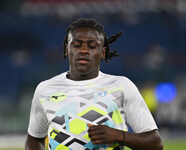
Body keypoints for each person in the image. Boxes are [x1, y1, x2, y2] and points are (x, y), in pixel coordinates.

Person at [25, 18, 163, 150]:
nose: (84, 50)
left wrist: (119, 136)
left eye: (92, 46)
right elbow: (35, 138)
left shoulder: (122, 86)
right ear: (67, 49)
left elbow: (155, 143)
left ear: (103, 52)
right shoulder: (45, 89)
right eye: (77, 45)